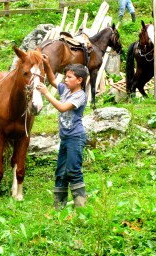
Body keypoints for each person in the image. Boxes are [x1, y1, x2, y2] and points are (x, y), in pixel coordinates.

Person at [37, 55, 88, 210]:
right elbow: (53, 80)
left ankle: (81, 207)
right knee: (60, 172)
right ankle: (59, 207)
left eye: (69, 77)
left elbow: (62, 107)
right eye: (65, 77)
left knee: (73, 170)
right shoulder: (66, 89)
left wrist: (46, 93)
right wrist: (46, 63)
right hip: (65, 138)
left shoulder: (80, 95)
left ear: (79, 80)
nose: (65, 80)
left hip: (75, 137)